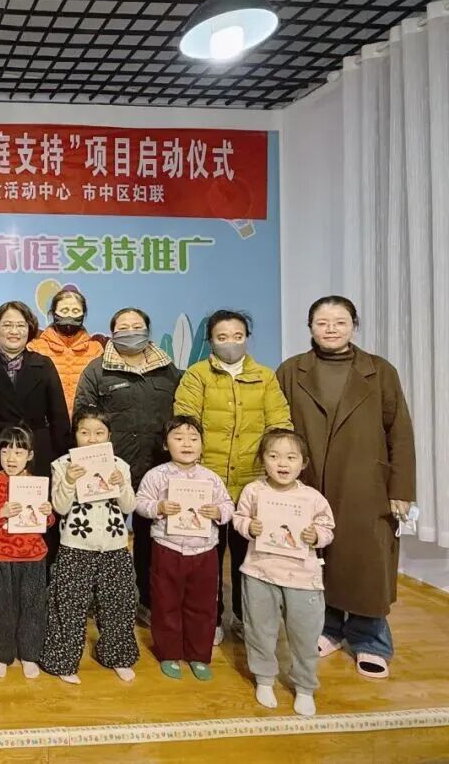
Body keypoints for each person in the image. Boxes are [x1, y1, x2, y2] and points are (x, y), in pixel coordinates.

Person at [276, 295, 415, 679]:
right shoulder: (291, 370)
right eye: (322, 322)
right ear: (310, 327)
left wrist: (401, 488)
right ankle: (330, 628)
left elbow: (400, 432)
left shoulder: (379, 371)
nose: (331, 329)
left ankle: (372, 640)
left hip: (365, 483)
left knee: (367, 562)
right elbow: (276, 428)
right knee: (321, 557)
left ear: (354, 325)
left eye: (340, 322)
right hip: (309, 481)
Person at [173, 310, 293, 645]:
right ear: (211, 340)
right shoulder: (196, 375)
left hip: (252, 484)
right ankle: (210, 619)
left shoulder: (265, 377)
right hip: (205, 484)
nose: (230, 343)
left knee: (248, 558)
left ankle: (243, 617)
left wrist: (277, 465)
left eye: (237, 336)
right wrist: (193, 470)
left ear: (247, 339)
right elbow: (185, 423)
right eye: (222, 337)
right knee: (206, 558)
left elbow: (280, 424)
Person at [74, 307, 182, 623]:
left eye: (137, 326)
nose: (130, 331)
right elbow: (82, 417)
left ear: (148, 330)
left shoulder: (168, 371)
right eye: (123, 327)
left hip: (156, 469)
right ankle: (98, 598)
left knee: (152, 540)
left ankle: (147, 600)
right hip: (109, 471)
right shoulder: (97, 370)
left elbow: (181, 417)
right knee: (103, 535)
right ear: (112, 333)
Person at [232, 429, 335, 717]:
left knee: (305, 635)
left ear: (303, 462)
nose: (282, 463)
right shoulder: (254, 491)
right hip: (259, 573)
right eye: (274, 456)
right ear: (262, 459)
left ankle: (305, 686)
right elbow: (239, 518)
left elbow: (328, 529)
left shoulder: (312, 497)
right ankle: (264, 678)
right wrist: (248, 527)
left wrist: (317, 536)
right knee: (259, 630)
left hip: (303, 578)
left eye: (291, 457)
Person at [0, 301, 70, 562]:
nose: (14, 331)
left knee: (35, 522)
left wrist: (62, 460)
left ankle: (38, 579)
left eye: (20, 325)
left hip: (36, 454)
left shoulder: (44, 365)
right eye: (7, 325)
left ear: (29, 329)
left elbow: (59, 418)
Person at [41, 409, 139, 684]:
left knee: (118, 603)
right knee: (69, 605)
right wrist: (70, 481)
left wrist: (121, 485)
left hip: (114, 545)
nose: (92, 439)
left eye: (99, 433)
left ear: (109, 436)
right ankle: (63, 660)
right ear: (75, 434)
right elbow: (60, 507)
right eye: (84, 432)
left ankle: (117, 656)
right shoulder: (62, 465)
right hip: (75, 544)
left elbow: (129, 506)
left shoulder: (120, 465)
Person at [135, 416, 234, 681]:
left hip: (204, 552)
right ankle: (169, 652)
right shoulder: (157, 475)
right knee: (165, 603)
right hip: (167, 548)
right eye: (178, 438)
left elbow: (228, 505)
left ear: (202, 445)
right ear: (165, 445)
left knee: (203, 605)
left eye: (193, 438)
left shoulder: (211, 478)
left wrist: (218, 512)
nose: (186, 444)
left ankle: (198, 655)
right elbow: (140, 503)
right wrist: (158, 507)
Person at [0, 426, 55, 680]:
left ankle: (29, 654)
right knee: (1, 608)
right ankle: (2, 654)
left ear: (29, 455)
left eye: (18, 452)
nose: (11, 458)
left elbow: (47, 522)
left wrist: (47, 513)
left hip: (33, 556)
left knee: (32, 607)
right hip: (0, 557)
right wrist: (1, 513)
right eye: (5, 451)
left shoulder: (36, 485)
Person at [27, 288, 106, 416]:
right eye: (64, 310)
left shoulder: (96, 349)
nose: (70, 315)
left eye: (76, 311)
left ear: (83, 315)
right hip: (47, 422)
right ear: (53, 313)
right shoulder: (35, 347)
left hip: (84, 422)